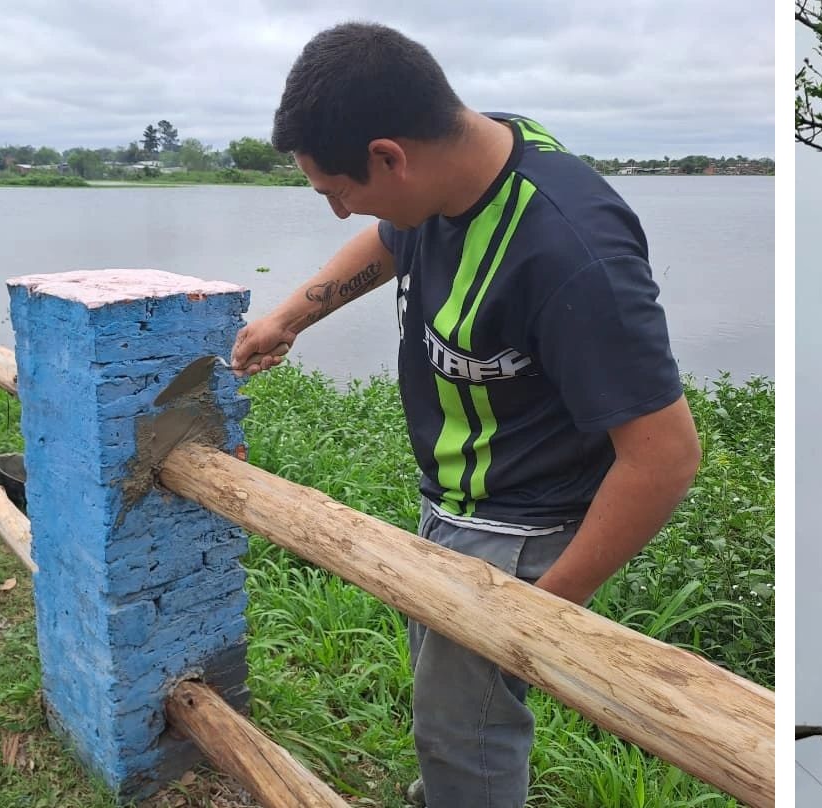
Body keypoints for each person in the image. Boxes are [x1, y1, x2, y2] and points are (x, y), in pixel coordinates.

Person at [228, 23, 702, 808]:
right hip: (454, 505)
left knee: (466, 733)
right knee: (449, 716)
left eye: (337, 191)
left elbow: (664, 455)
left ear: (390, 155)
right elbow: (388, 238)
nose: (341, 214)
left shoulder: (571, 252)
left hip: (519, 535)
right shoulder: (458, 165)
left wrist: (534, 614)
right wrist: (291, 317)